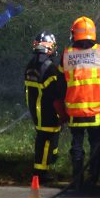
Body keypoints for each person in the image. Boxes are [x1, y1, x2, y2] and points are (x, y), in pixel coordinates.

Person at [62, 16, 100, 190]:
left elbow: (61, 82)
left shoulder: (67, 54)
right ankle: (93, 178)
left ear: (74, 34)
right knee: (96, 144)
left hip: (74, 111)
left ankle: (77, 180)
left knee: (77, 146)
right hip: (96, 111)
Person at [24, 31, 66, 184]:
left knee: (45, 137)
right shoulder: (50, 69)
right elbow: (56, 96)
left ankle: (50, 161)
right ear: (50, 48)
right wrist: (62, 114)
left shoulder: (30, 65)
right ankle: (41, 172)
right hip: (48, 110)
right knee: (47, 139)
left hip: (36, 109)